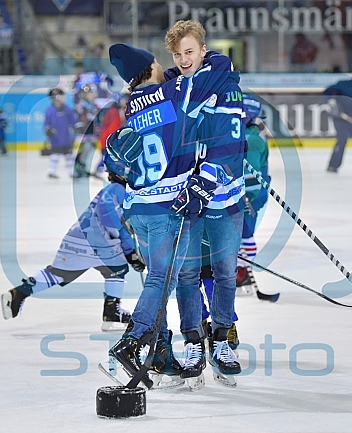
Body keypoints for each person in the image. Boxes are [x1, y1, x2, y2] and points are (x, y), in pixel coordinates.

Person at [105, 42, 235, 385]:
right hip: (166, 207)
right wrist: (208, 57)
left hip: (137, 208)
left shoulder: (132, 105)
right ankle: (132, 341)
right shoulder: (177, 90)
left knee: (155, 277)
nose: (168, 65)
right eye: (161, 62)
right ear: (150, 67)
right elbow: (218, 70)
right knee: (162, 280)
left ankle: (162, 355)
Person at [164, 20, 246, 382]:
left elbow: (228, 144)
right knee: (187, 272)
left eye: (189, 52)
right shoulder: (176, 88)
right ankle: (193, 338)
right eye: (178, 54)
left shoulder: (225, 85)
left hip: (225, 198)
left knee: (226, 272)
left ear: (203, 49)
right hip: (187, 195)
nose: (184, 59)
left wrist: (206, 181)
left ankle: (222, 337)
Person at [1, 154, 145, 331]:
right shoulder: (118, 191)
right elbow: (112, 222)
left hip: (76, 238)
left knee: (59, 274)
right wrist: (130, 252)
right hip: (97, 242)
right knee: (118, 268)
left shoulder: (110, 189)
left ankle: (20, 292)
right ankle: (111, 312)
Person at [236, 93, 269, 290]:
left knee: (245, 233)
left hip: (251, 195)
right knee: (240, 233)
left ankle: (247, 272)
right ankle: (243, 271)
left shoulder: (252, 138)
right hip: (249, 193)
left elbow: (252, 176)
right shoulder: (248, 134)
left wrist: (247, 197)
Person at [44, 88, 79, 178]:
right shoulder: (50, 110)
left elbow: (73, 120)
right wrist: (48, 130)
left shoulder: (66, 109)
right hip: (56, 138)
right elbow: (46, 124)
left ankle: (71, 172)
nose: (64, 98)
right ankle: (51, 171)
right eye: (62, 96)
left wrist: (77, 125)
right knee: (55, 155)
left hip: (66, 137)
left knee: (68, 155)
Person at [73, 84, 100, 177]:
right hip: (82, 133)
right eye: (89, 93)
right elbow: (79, 119)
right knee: (82, 151)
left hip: (92, 133)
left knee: (89, 151)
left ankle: (83, 167)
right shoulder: (80, 106)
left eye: (92, 93)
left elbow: (97, 119)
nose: (91, 95)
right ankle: (77, 168)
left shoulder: (95, 106)